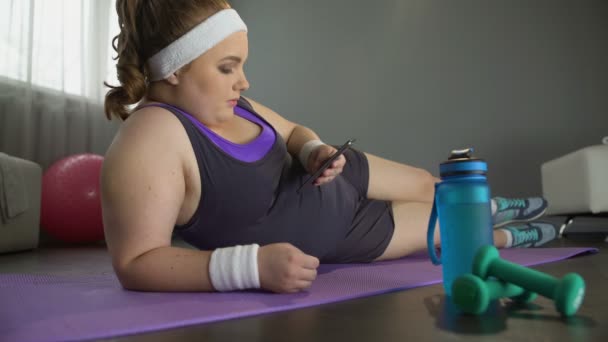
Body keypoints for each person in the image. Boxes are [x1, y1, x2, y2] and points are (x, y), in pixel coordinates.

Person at [101, 0, 556, 294]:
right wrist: (251, 268)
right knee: (454, 232)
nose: (243, 80)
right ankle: (512, 231)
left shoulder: (232, 104)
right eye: (227, 67)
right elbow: (136, 261)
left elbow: (294, 131)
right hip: (345, 232)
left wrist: (313, 150)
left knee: (431, 185)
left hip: (343, 175)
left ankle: (497, 205)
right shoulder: (152, 137)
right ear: (175, 69)